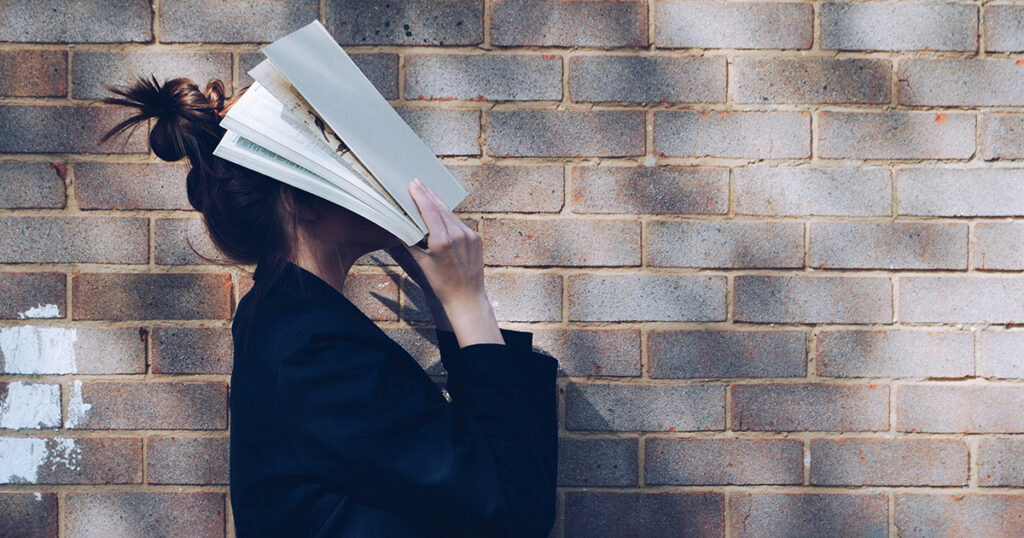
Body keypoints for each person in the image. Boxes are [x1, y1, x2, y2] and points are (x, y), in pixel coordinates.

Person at [99, 75, 558, 537]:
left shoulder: (291, 322)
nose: (377, 171)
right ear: (300, 199)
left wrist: (444, 294)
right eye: (347, 157)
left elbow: (475, 476)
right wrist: (468, 299)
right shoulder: (309, 350)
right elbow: (515, 508)